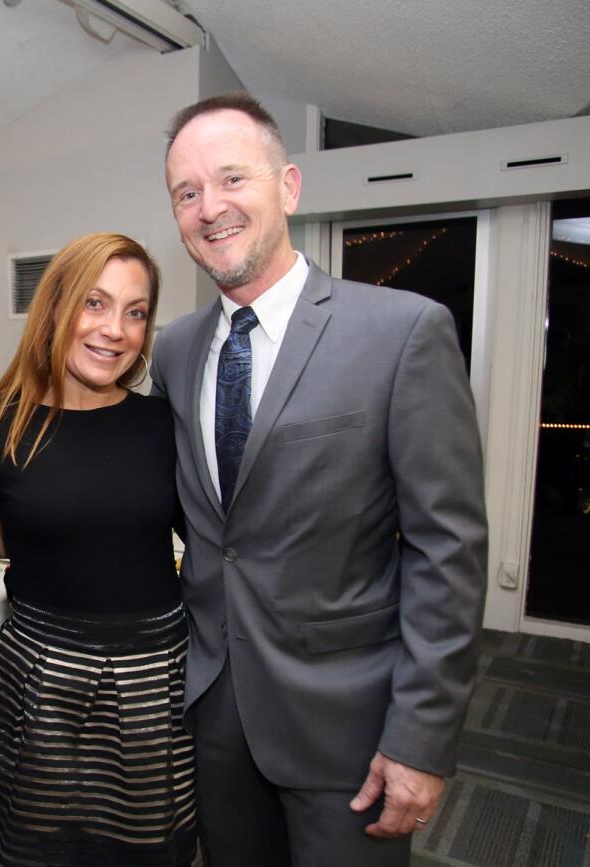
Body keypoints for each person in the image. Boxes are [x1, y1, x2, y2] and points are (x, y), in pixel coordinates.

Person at [151, 91, 488, 866]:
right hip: (216, 717)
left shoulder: (401, 332)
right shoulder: (174, 350)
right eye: (187, 192)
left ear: (289, 187)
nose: (211, 208)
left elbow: (448, 550)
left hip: (351, 730)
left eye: (232, 179)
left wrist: (421, 737)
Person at [0, 233, 196, 866]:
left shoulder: (162, 426)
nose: (115, 330)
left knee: (149, 853)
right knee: (40, 852)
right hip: (41, 681)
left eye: (135, 311)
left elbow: (210, 539)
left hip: (154, 680)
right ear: (58, 306)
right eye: (95, 303)